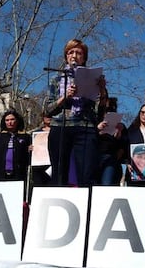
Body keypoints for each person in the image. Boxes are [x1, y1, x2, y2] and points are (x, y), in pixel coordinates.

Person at [46, 39, 107, 186]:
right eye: (70, 52)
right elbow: (48, 109)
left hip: (84, 126)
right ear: (66, 56)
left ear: (84, 58)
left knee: (87, 174)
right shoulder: (56, 79)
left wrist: (102, 90)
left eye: (79, 53)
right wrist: (65, 97)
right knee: (59, 174)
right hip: (60, 127)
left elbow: (100, 111)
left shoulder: (94, 79)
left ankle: (87, 205)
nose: (74, 56)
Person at [0, 110, 31, 185]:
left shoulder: (25, 137)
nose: (10, 122)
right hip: (1, 173)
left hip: (18, 173)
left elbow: (28, 156)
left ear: (17, 121)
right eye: (7, 120)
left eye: (12, 119)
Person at [97, 97, 128, 185]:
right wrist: (98, 130)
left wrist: (119, 134)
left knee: (107, 184)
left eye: (112, 110)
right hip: (95, 157)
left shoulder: (120, 126)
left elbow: (124, 145)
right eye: (107, 110)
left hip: (111, 158)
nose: (109, 112)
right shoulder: (95, 122)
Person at [31, 111, 52, 186]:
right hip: (39, 165)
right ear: (43, 118)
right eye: (46, 116)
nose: (49, 118)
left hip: (53, 165)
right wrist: (30, 148)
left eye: (51, 116)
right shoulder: (36, 133)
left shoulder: (59, 132)